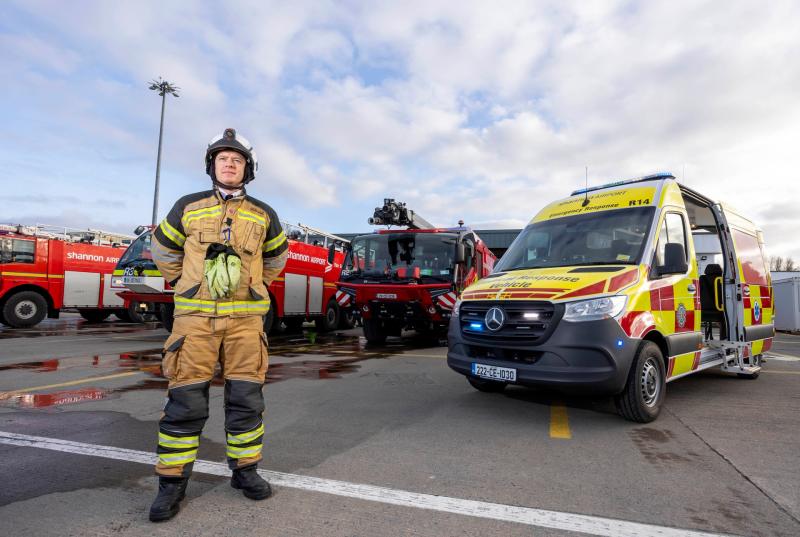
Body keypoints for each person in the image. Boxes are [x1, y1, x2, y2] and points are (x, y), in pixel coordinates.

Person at [148, 128, 288, 522]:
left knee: (247, 401)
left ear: (249, 168)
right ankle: (171, 485)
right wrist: (185, 283)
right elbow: (162, 248)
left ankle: (245, 472)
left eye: (237, 159)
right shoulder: (187, 206)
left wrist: (255, 286)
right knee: (185, 403)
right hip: (194, 322)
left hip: (245, 323)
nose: (230, 164)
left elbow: (277, 258)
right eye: (223, 158)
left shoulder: (264, 214)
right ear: (212, 165)